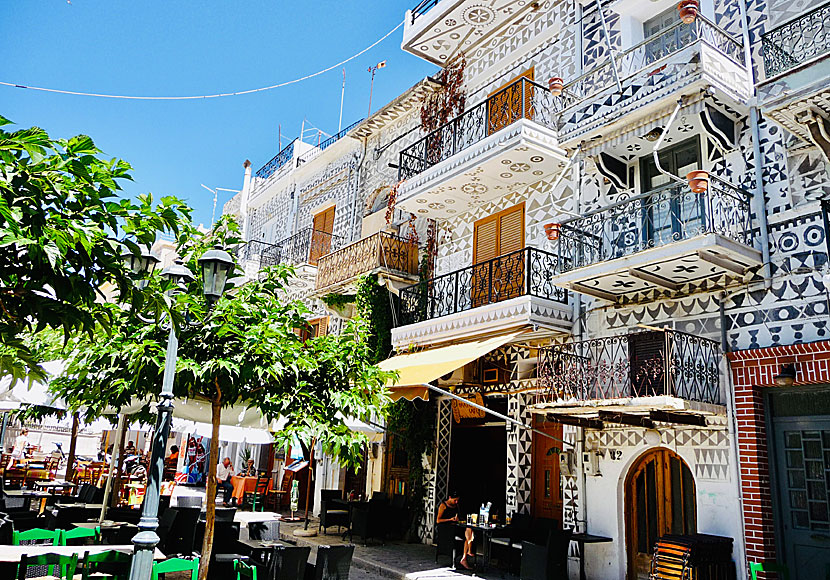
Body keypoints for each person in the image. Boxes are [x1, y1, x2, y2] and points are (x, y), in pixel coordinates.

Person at [436, 491, 475, 569]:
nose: (456, 502)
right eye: (455, 500)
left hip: (455, 528)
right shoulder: (443, 506)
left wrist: (458, 519)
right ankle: (468, 551)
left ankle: (464, 557)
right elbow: (438, 520)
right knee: (468, 534)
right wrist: (450, 519)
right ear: (450, 498)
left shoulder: (456, 506)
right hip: (446, 529)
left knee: (469, 529)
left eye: (457, 500)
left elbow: (459, 516)